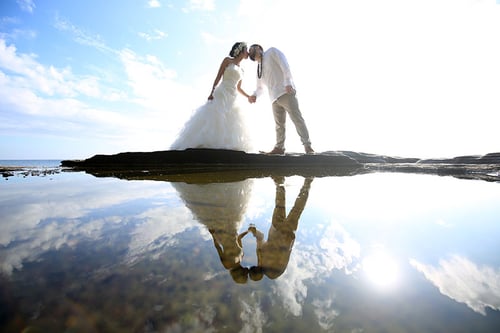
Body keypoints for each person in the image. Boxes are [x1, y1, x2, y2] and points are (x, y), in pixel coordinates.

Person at [170, 42, 254, 151]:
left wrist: (248, 96)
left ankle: (226, 144)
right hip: (222, 92)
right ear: (241, 51)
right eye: (246, 50)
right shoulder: (227, 60)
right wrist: (211, 92)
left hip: (233, 96)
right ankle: (207, 142)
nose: (248, 53)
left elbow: (239, 88)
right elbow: (218, 77)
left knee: (231, 119)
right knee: (216, 116)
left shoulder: (242, 70)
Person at [248, 44, 314, 155]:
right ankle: (279, 148)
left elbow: (284, 65)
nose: (250, 52)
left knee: (296, 118)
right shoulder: (258, 68)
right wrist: (254, 95)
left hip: (285, 91)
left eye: (252, 49)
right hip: (273, 98)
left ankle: (308, 146)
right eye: (249, 52)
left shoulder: (271, 52)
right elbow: (260, 88)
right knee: (279, 125)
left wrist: (288, 82)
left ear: (259, 48)